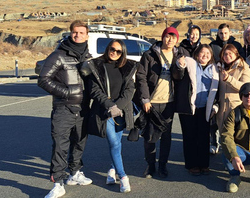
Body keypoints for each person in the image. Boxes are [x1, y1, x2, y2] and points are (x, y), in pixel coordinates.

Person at [38, 20, 92, 198]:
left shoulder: (87, 56)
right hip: (63, 108)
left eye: (81, 33)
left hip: (83, 109)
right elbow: (43, 80)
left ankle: (74, 173)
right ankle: (58, 183)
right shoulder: (58, 55)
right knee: (60, 146)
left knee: (79, 142)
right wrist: (67, 92)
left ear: (87, 35)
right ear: (70, 34)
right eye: (75, 32)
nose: (77, 35)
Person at [84, 39, 137, 193]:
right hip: (104, 111)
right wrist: (110, 106)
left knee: (118, 143)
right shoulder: (97, 66)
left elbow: (130, 90)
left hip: (121, 110)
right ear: (107, 49)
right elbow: (94, 90)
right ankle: (123, 176)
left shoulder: (127, 67)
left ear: (123, 53)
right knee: (113, 143)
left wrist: (118, 107)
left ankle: (112, 170)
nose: (114, 52)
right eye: (112, 49)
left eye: (118, 51)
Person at [135, 26, 180, 178]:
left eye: (173, 37)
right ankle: (150, 165)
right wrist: (145, 99)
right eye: (168, 36)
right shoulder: (150, 55)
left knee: (166, 136)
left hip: (169, 102)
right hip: (152, 102)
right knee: (150, 135)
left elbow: (181, 77)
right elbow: (141, 77)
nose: (170, 40)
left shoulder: (178, 55)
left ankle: (163, 165)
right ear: (163, 37)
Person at [173, 44, 219, 175]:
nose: (205, 55)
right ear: (196, 54)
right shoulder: (189, 63)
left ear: (211, 56)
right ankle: (192, 165)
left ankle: (204, 164)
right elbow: (177, 75)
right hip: (189, 106)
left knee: (203, 137)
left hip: (205, 108)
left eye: (208, 53)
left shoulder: (215, 69)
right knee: (189, 137)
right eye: (202, 53)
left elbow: (218, 91)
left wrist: (215, 107)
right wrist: (179, 64)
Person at [215, 44, 250, 154]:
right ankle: (228, 160)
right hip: (222, 108)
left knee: (236, 137)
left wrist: (229, 79)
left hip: (236, 108)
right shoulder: (219, 67)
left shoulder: (244, 68)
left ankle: (236, 161)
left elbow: (245, 87)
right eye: (225, 54)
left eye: (230, 53)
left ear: (236, 54)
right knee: (224, 136)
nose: (227, 56)